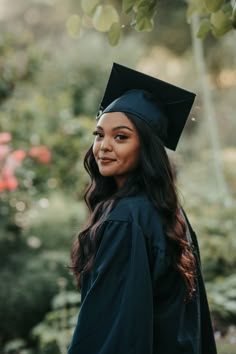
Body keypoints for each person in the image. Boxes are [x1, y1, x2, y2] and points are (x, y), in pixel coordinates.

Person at [67, 63, 217, 354]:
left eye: (121, 137)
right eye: (99, 134)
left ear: (145, 146)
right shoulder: (166, 211)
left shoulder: (125, 221)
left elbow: (115, 333)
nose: (103, 146)